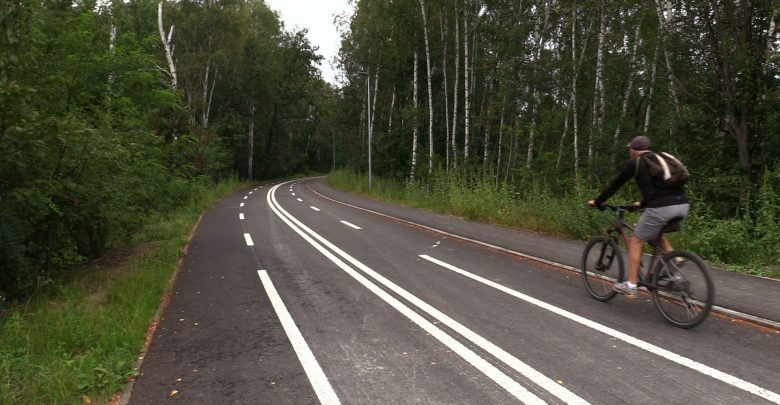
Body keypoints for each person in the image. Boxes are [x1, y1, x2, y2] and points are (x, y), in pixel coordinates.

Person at [587, 135, 690, 298]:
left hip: (661, 208)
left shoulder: (636, 163)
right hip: (682, 205)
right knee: (654, 233)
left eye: (630, 149)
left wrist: (598, 202)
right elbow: (660, 189)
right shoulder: (659, 160)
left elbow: (615, 184)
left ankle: (631, 285)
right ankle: (675, 258)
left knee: (636, 240)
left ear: (634, 151)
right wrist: (641, 204)